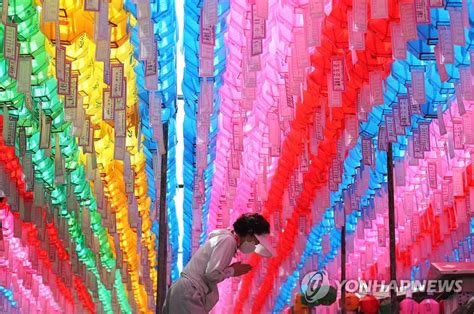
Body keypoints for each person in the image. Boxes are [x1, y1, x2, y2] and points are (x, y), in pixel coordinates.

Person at [162, 213, 275, 313]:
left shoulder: (225, 238)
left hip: (184, 291)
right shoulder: (229, 241)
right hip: (189, 292)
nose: (255, 246)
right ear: (250, 234)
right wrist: (232, 271)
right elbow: (211, 274)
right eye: (256, 242)